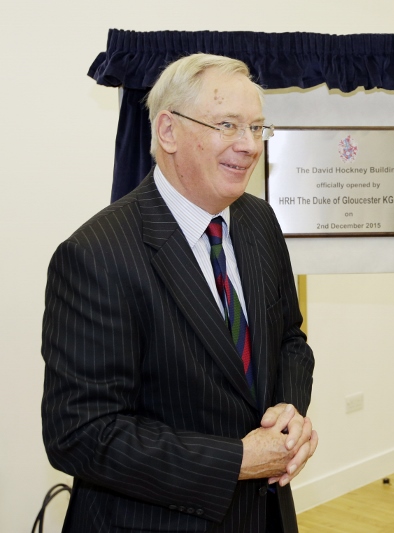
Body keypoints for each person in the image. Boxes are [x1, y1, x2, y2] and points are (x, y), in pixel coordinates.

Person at [41, 53, 317, 532]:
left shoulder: (260, 222)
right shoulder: (96, 254)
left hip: (264, 515)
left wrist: (288, 417)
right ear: (167, 131)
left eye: (257, 127)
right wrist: (236, 459)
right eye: (228, 124)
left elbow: (290, 340)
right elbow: (80, 434)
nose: (249, 145)